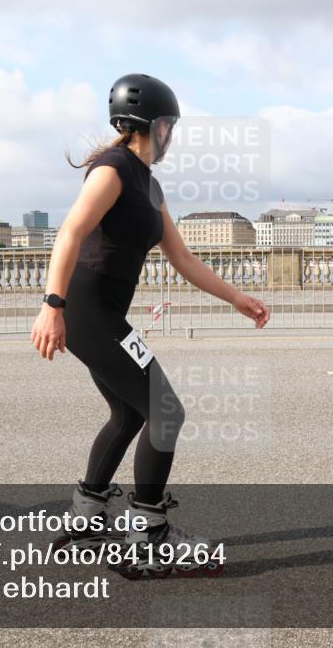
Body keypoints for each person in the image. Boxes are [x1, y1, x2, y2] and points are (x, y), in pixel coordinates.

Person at [31, 73, 270, 574]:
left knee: (131, 414)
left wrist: (237, 298)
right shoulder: (112, 169)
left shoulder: (151, 186)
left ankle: (86, 520)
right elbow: (69, 233)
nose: (171, 137)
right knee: (166, 411)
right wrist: (52, 304)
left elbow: (183, 259)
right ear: (153, 125)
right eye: (169, 126)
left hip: (104, 314)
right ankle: (148, 536)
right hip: (86, 308)